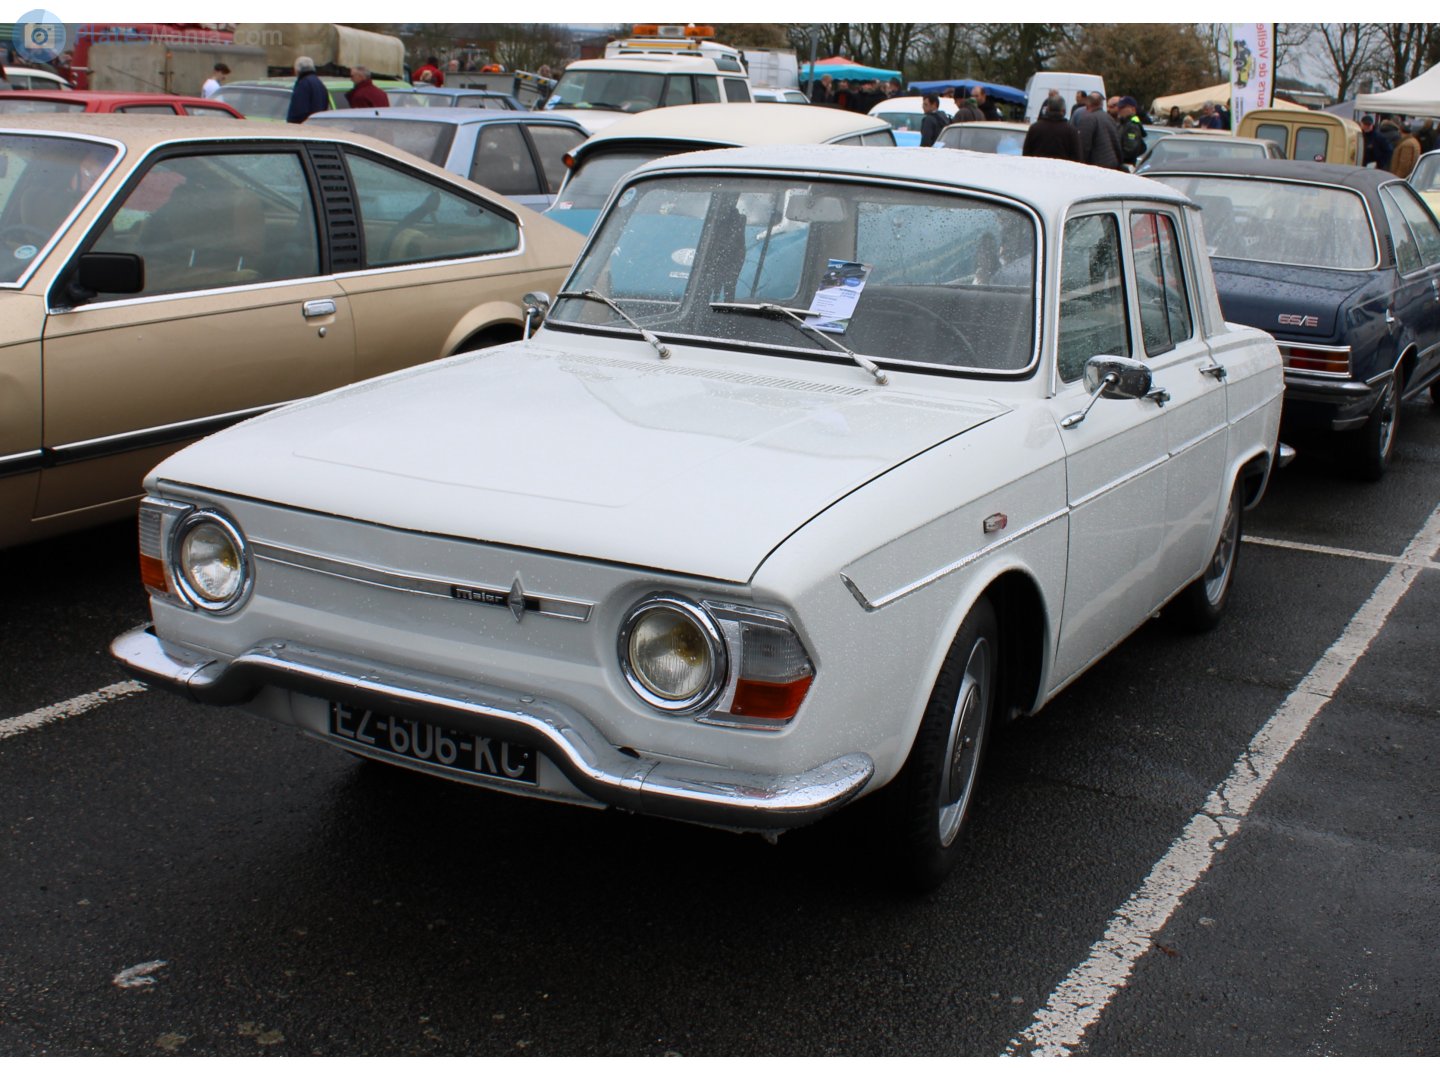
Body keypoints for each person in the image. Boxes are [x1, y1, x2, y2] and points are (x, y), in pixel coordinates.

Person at [1023, 94, 1081, 160]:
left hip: (1037, 168)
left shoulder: (1035, 128)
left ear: (1047, 109)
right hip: (1062, 169)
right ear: (1063, 110)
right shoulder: (1071, 131)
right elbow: (1077, 157)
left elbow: (1026, 155)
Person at [1076, 91, 1122, 169]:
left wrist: (1080, 165)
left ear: (1087, 104)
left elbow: (1084, 146)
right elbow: (1116, 143)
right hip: (1112, 164)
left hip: (1096, 166)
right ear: (1101, 104)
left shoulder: (1087, 119)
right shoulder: (1109, 118)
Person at [286, 56, 329, 123]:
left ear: (297, 70)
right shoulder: (319, 83)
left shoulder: (303, 84)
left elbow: (299, 110)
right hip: (319, 124)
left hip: (304, 127)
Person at [1117, 96, 1147, 168]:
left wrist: (1116, 156)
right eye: (1119, 107)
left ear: (1132, 109)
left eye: (1122, 107)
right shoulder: (1123, 124)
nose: (1119, 110)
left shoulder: (1132, 126)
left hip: (1125, 165)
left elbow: (1130, 150)